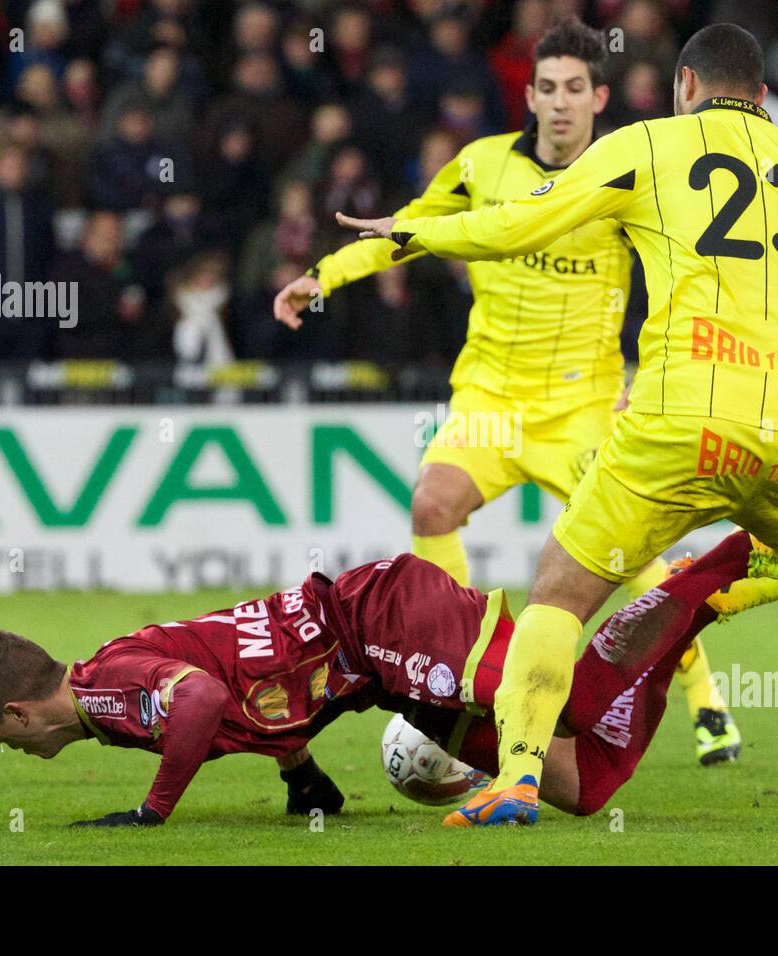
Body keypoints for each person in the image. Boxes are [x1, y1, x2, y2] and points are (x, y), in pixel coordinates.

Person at [337, 23, 778, 826]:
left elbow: (519, 224)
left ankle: (517, 776)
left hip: (683, 419)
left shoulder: (650, 146)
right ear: (762, 97)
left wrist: (413, 232)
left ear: (686, 86)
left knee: (559, 592)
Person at [274, 18, 744, 767]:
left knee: (634, 559)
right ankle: (460, 679)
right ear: (528, 95)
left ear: (599, 96)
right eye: (547, 89)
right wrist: (322, 277)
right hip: (490, 398)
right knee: (432, 503)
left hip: (584, 407)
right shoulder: (482, 165)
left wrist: (653, 377)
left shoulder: (625, 173)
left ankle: (708, 705)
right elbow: (410, 230)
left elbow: (681, 282)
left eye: (574, 91)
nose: (560, 104)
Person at [0, 533, 778, 827]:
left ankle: (725, 560)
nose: (6, 747)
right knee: (582, 784)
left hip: (382, 623)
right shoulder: (113, 679)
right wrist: (299, 776)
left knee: (568, 702)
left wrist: (153, 811)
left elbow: (208, 699)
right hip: (375, 675)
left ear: (18, 709)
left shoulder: (104, 697)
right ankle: (709, 603)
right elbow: (244, 691)